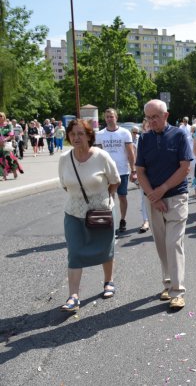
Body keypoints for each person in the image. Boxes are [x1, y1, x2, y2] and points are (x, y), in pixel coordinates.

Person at [58, 119, 120, 311]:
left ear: (89, 136)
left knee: (105, 249)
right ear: (68, 136)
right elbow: (64, 184)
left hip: (100, 212)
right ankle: (73, 296)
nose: (76, 138)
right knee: (74, 253)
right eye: (73, 134)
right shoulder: (64, 159)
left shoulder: (101, 156)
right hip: (74, 213)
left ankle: (108, 281)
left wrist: (104, 199)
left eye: (80, 134)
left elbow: (115, 181)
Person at [136, 100, 193, 310]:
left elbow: (185, 167)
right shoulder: (144, 138)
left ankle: (178, 291)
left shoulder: (179, 135)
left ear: (166, 115)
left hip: (176, 197)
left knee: (173, 243)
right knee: (161, 245)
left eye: (155, 117)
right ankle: (168, 284)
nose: (151, 122)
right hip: (153, 200)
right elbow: (140, 171)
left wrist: (163, 189)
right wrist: (153, 195)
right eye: (148, 118)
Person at [95, 108, 136, 234]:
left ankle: (122, 220)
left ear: (116, 118)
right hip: (106, 172)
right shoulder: (100, 134)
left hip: (122, 170)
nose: (109, 119)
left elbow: (130, 153)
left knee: (122, 196)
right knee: (108, 197)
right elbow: (98, 154)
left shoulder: (124, 133)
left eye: (111, 116)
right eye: (107, 117)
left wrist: (133, 170)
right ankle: (110, 220)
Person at [132, 123, 150, 233]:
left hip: (159, 173)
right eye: (147, 126)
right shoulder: (141, 139)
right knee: (144, 198)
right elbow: (137, 158)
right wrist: (136, 174)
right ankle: (146, 220)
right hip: (144, 172)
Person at [0, 112, 23, 180]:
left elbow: (11, 134)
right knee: (1, 160)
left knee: (9, 159)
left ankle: (14, 170)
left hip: (7, 144)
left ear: (4, 117)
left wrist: (4, 140)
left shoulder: (8, 125)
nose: (0, 117)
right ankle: (4, 175)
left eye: (1, 116)